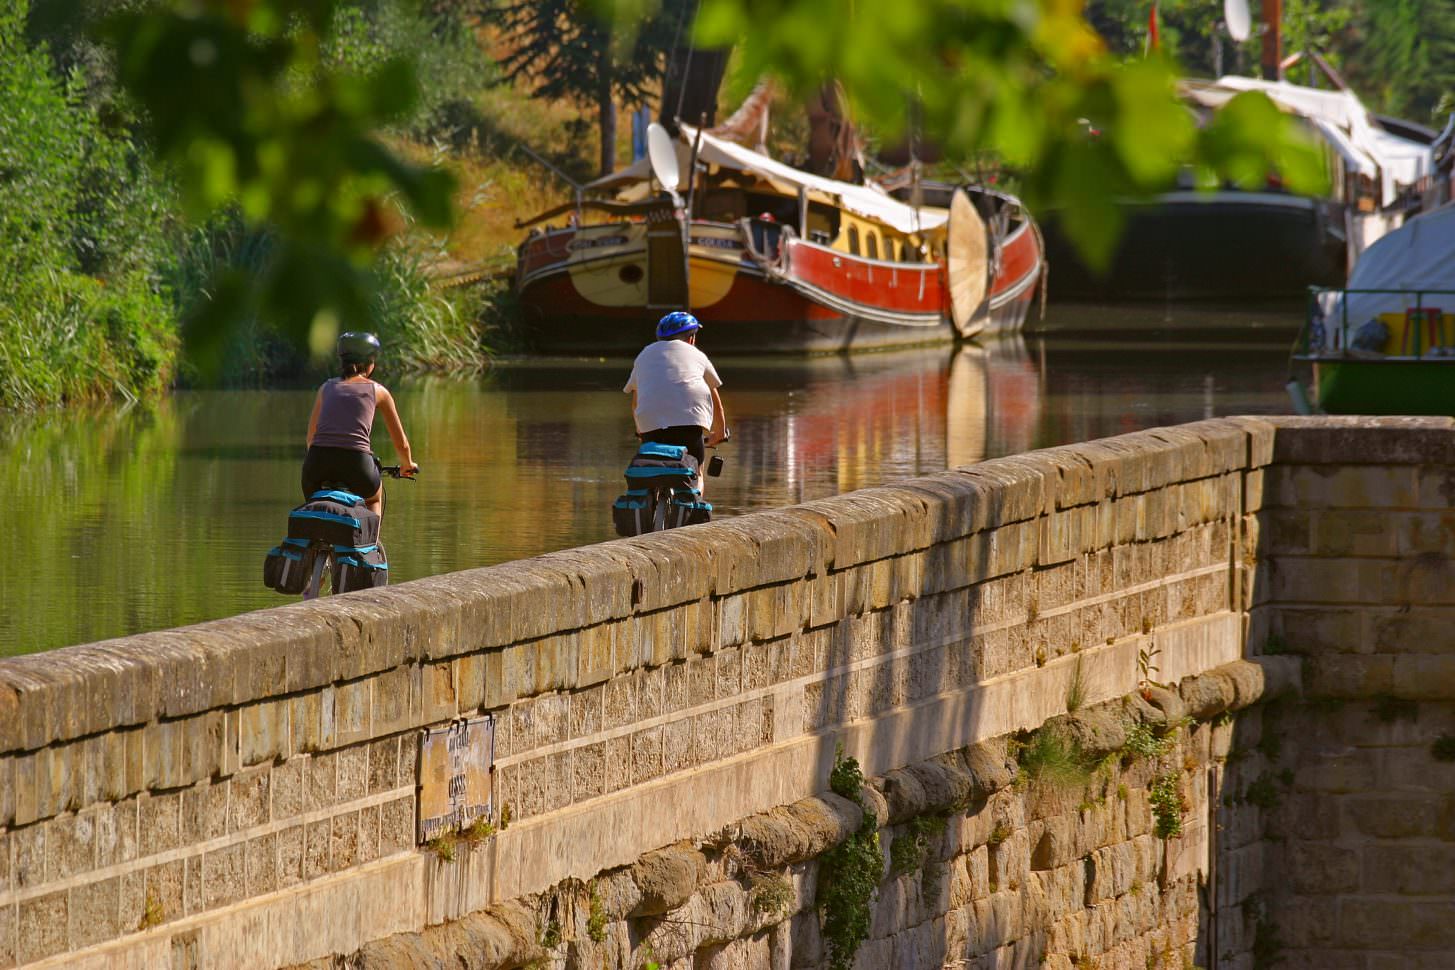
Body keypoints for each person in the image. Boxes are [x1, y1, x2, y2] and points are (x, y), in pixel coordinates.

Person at [303, 332, 418, 527]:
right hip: (357, 464)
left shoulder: (326, 388)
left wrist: (325, 459)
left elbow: (310, 440)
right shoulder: (378, 391)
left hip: (316, 464)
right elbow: (402, 444)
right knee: (374, 498)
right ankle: (369, 547)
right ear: (370, 362)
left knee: (314, 511)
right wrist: (407, 465)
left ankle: (313, 547)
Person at [624, 311, 727, 490]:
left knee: (652, 468)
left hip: (650, 422)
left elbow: (636, 401)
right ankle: (694, 513)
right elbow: (714, 396)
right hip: (689, 421)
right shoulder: (697, 354)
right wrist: (719, 432)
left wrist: (641, 431)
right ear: (691, 338)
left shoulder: (644, 354)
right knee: (697, 472)